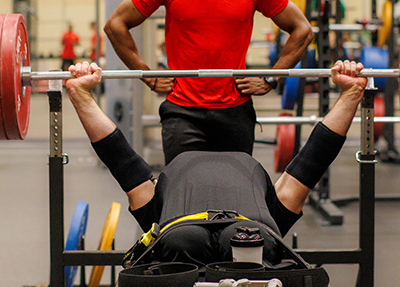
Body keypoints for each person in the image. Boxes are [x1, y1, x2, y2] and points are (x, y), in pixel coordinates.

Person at [66, 60, 367, 267]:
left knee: (189, 243)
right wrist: (351, 93)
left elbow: (122, 159)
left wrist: (80, 93)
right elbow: (312, 159)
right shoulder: (273, 214)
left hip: (181, 237)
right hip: (245, 236)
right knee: (250, 244)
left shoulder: (157, 215)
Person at [104, 0, 314, 165]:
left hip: (235, 111)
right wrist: (146, 74)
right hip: (182, 112)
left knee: (235, 193)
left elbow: (303, 30)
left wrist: (271, 78)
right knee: (184, 191)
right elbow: (115, 25)